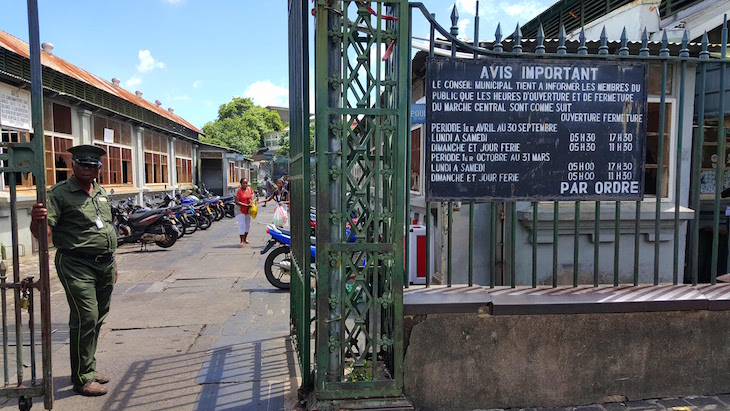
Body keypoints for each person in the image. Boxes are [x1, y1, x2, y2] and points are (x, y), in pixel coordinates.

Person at [30, 145, 116, 397]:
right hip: (76, 264)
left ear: (99, 168)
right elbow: (44, 235)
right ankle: (82, 378)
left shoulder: (100, 191)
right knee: (85, 316)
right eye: (83, 164)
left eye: (93, 165)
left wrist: (114, 262)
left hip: (105, 263)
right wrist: (37, 221)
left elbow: (106, 228)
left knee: (98, 316)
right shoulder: (58, 193)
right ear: (73, 166)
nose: (88, 169)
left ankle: (87, 367)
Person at [234, 178, 255, 247]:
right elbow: (237, 202)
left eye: (246, 183)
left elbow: (253, 196)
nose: (245, 184)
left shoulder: (249, 189)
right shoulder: (238, 191)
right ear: (241, 184)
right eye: (243, 183)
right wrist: (246, 205)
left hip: (248, 210)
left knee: (248, 225)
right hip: (240, 210)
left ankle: (245, 238)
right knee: (241, 225)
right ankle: (241, 241)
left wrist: (253, 201)